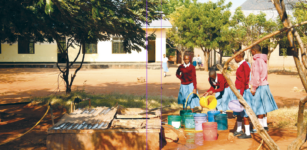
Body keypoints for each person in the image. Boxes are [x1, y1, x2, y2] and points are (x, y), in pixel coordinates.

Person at [250, 44, 278, 131]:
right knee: (264, 106)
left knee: (259, 107)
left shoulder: (257, 61)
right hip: (265, 85)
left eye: (251, 52)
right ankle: (264, 125)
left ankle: (259, 127)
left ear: (254, 51)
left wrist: (254, 88)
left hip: (260, 86)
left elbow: (256, 77)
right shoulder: (264, 60)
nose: (251, 54)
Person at [231, 49, 253, 139]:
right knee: (238, 112)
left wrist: (240, 95)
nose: (234, 58)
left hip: (242, 92)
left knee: (244, 113)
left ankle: (247, 133)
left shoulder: (244, 65)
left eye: (235, 56)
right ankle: (239, 129)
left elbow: (244, 81)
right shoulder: (241, 65)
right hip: (239, 91)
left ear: (239, 56)